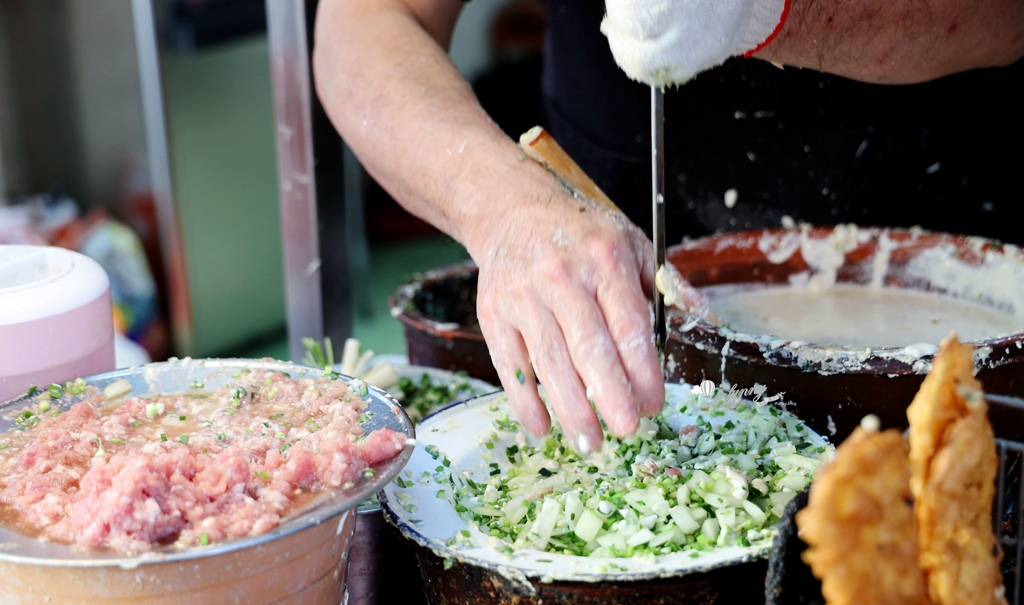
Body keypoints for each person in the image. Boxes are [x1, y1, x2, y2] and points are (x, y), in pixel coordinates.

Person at [312, 0, 1024, 453]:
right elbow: (367, 20)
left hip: (965, 294)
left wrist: (763, 12)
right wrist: (503, 206)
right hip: (616, 290)